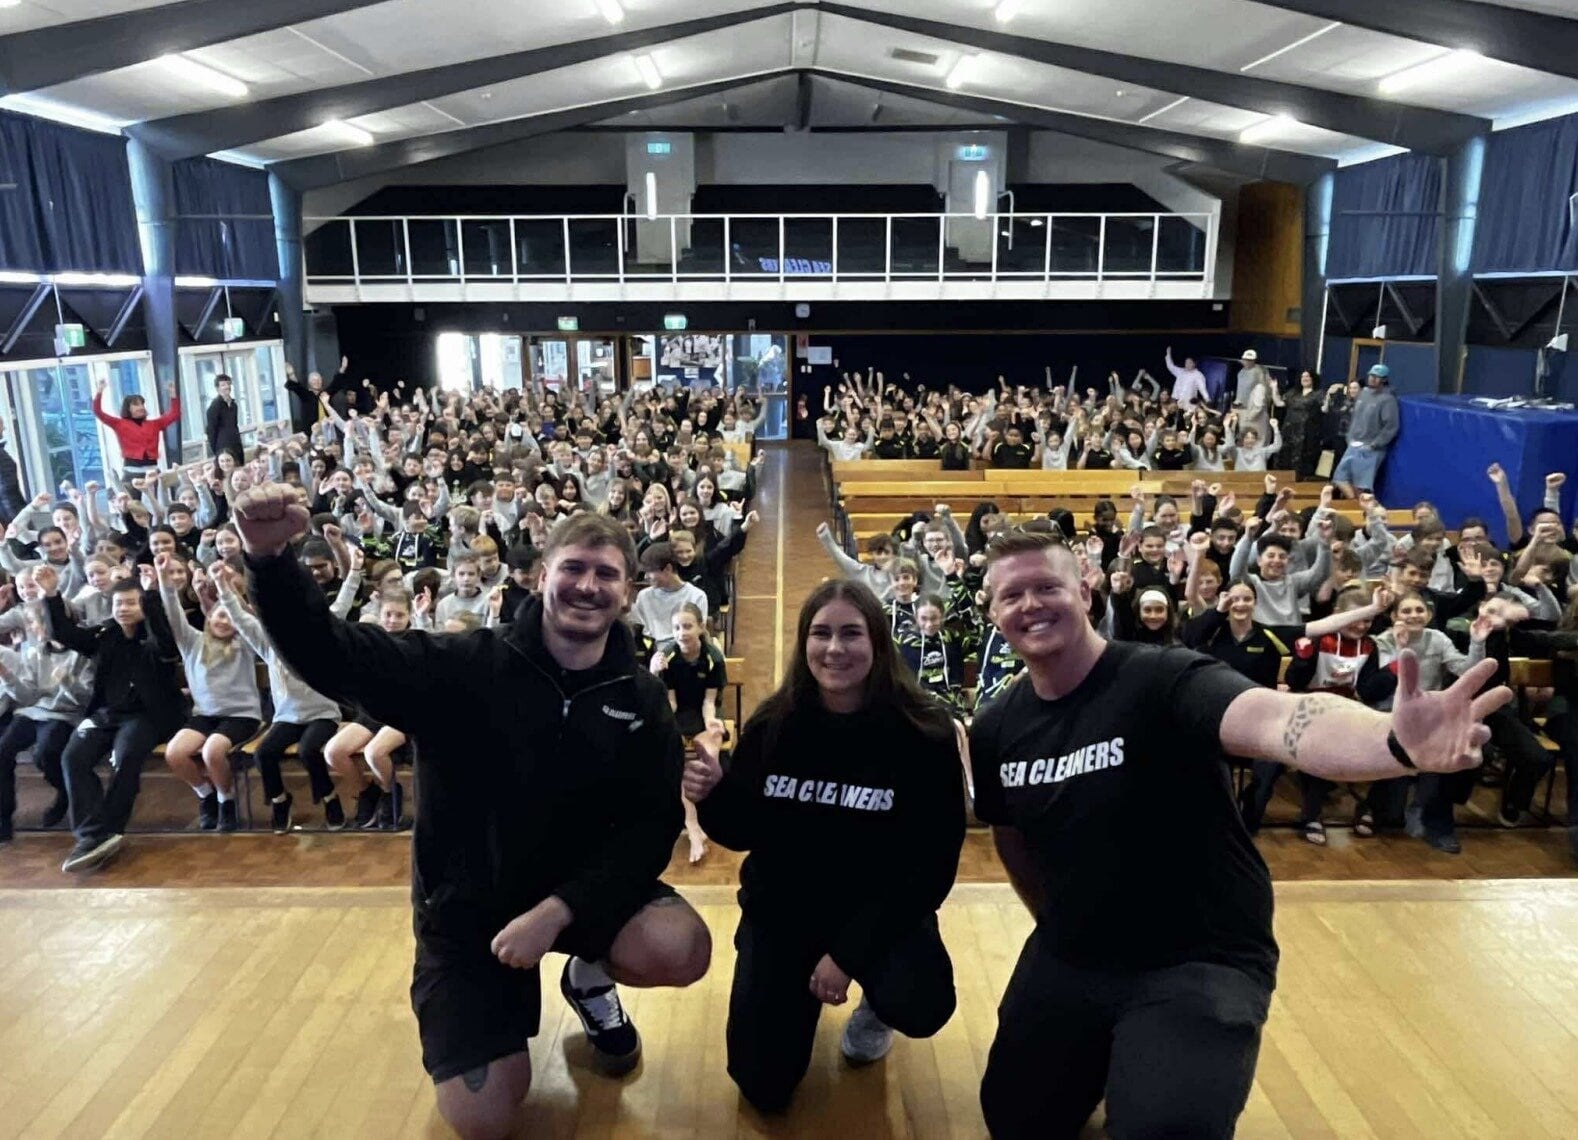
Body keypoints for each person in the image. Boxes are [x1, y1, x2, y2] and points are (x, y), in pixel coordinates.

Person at [968, 530, 1511, 1139]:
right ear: (993, 613)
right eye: (1012, 595)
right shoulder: (996, 728)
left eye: (1048, 586)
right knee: (1015, 1121)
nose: (1031, 604)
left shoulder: (1165, 679)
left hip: (1197, 956)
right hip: (1077, 953)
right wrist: (1059, 926)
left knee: (1165, 1131)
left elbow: (1281, 720)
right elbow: (1014, 842)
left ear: (1086, 590)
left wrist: (1392, 742)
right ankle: (1101, 1055)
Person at [232, 486, 711, 1139]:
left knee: (680, 948)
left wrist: (560, 911)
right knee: (482, 1115)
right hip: (469, 913)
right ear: (543, 575)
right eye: (574, 568)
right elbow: (330, 653)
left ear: (627, 592)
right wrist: (268, 560)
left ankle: (589, 980)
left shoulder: (643, 698)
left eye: (606, 574)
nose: (588, 585)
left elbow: (651, 829)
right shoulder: (460, 667)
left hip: (572, 898)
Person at [685, 579, 963, 1115]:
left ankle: (875, 1007)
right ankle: (793, 992)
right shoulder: (774, 723)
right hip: (785, 913)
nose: (834, 648)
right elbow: (743, 831)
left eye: (851, 633)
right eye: (821, 633)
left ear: (878, 643)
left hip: (881, 911)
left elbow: (929, 871)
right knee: (761, 1088)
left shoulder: (923, 734)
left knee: (921, 1003)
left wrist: (847, 955)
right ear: (803, 643)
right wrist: (715, 792)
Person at [38, 565, 187, 873]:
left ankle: (110, 830)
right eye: (119, 603)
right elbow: (65, 634)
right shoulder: (105, 633)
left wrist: (152, 596)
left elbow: (166, 645)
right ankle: (91, 835)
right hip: (106, 714)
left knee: (126, 755)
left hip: (148, 717)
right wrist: (51, 594)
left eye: (132, 603)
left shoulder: (157, 634)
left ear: (143, 606)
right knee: (73, 757)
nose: (124, 609)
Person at [1333, 364, 1400, 499]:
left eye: (1377, 377)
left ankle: (1361, 511)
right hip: (1353, 445)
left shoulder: (1388, 399)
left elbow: (1391, 426)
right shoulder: (1363, 393)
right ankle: (1355, 505)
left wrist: (1375, 444)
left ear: (1384, 380)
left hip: (1370, 449)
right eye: (1371, 376)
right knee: (1339, 478)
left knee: (1361, 487)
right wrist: (1349, 437)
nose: (1372, 379)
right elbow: (1355, 418)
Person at [92, 379, 181, 479]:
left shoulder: (154, 424)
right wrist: (99, 391)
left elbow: (175, 414)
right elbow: (98, 412)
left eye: (142, 404)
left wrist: (173, 394)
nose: (141, 407)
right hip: (132, 472)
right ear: (128, 408)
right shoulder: (119, 424)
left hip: (153, 471)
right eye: (136, 404)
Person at [205, 374, 243, 465]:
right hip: (223, 446)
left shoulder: (234, 405)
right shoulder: (214, 407)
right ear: (217, 388)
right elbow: (211, 430)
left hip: (236, 443)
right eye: (223, 385)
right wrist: (216, 451)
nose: (227, 387)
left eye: (228, 384)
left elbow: (234, 425)